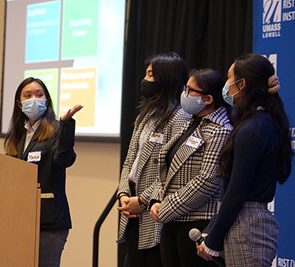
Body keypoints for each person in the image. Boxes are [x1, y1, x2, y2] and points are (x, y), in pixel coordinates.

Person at [196, 53, 293, 266]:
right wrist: (212, 230)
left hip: (248, 225)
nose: (226, 85)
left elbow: (237, 191)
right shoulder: (254, 124)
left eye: (229, 78)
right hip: (241, 223)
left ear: (241, 84)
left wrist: (213, 239)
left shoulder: (255, 128)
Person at [148, 69, 233, 267]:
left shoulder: (221, 130)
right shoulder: (190, 122)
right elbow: (166, 167)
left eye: (190, 89)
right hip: (171, 222)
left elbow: (208, 180)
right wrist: (156, 200)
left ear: (208, 99)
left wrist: (166, 207)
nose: (184, 93)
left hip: (197, 224)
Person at [117, 51, 188, 267]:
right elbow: (130, 159)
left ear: (165, 79)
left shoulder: (180, 117)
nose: (145, 81)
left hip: (155, 211)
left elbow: (173, 171)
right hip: (131, 208)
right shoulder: (145, 115)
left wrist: (143, 201)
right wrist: (123, 193)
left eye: (150, 75)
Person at [4, 77, 83, 267]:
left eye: (39, 95)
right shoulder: (19, 134)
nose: (34, 99)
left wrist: (66, 125)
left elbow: (63, 160)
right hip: (22, 218)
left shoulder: (56, 129)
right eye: (28, 95)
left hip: (49, 221)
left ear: (46, 100)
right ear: (19, 103)